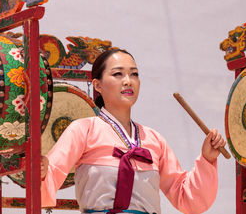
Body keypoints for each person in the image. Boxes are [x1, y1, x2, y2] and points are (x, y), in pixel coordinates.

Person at [40, 49, 226, 214]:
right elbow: (49, 174)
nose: (128, 81)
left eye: (134, 74)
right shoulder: (84, 130)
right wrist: (39, 171)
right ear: (97, 85)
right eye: (118, 74)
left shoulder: (154, 139)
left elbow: (186, 198)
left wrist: (207, 159)